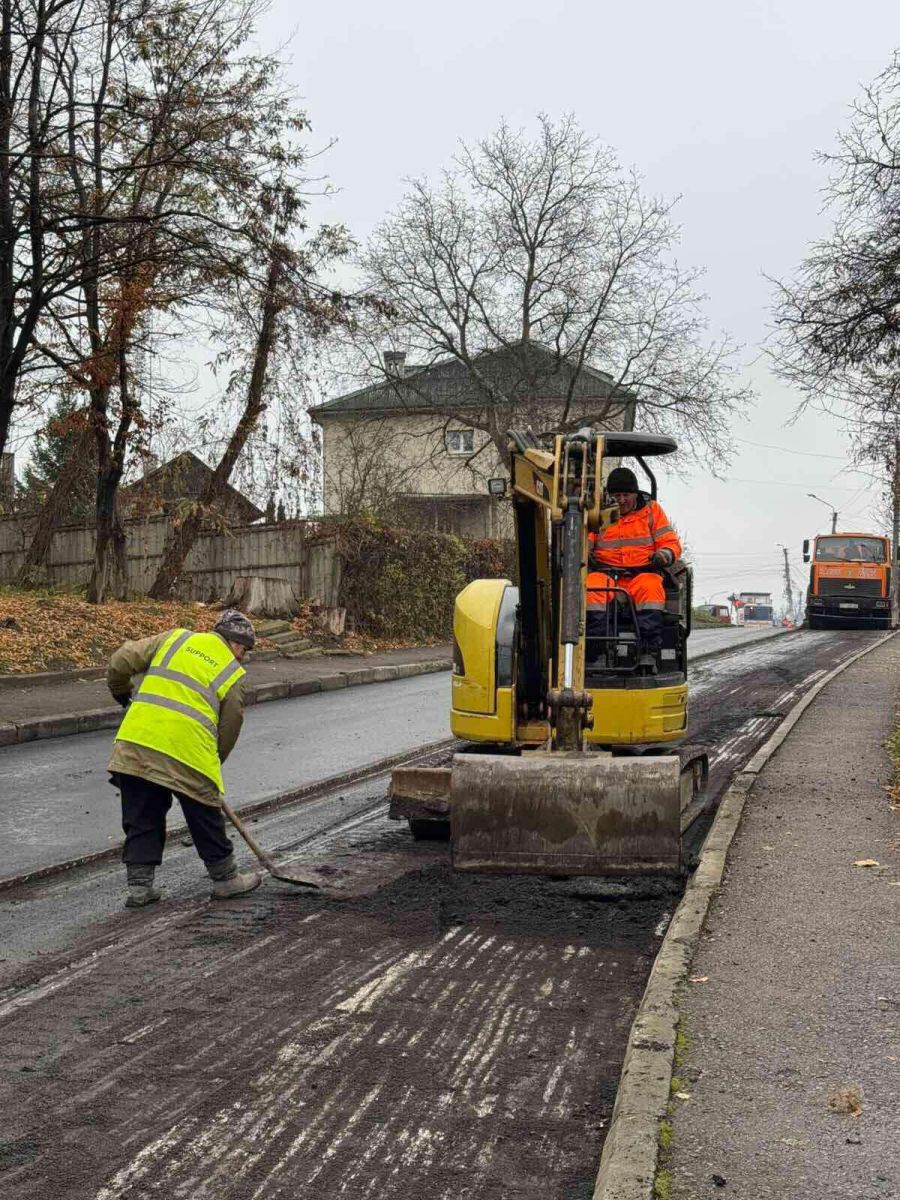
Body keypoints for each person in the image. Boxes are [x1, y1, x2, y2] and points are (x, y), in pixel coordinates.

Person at [107, 609, 261, 909]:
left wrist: (122, 694)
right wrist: (212, 764)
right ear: (236, 645)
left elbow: (120, 660)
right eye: (245, 650)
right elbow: (230, 727)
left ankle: (140, 889)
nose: (243, 657)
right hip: (189, 754)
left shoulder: (174, 639)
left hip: (137, 743)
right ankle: (227, 879)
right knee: (205, 815)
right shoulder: (232, 673)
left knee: (141, 814)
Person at [586, 466, 682, 671]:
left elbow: (670, 542)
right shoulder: (598, 514)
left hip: (643, 573)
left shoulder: (652, 511)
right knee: (593, 588)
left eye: (625, 495)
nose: (621, 500)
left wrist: (663, 555)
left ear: (635, 494)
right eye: (616, 495)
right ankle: (597, 652)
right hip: (606, 575)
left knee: (651, 587)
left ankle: (648, 653)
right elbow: (586, 542)